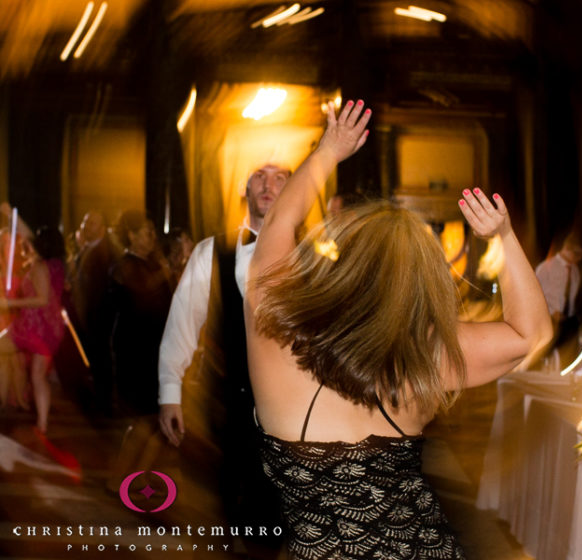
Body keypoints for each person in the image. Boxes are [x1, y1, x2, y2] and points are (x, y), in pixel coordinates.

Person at [246, 99, 553, 558]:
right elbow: (532, 334)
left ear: (340, 264)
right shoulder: (427, 357)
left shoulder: (274, 325)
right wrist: (504, 238)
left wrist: (329, 150)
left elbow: (281, 222)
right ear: (422, 284)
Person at [157, 162, 290, 554]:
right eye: (259, 176)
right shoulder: (210, 251)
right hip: (231, 404)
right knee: (232, 501)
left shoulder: (311, 255)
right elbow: (182, 320)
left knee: (277, 512)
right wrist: (170, 392)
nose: (268, 185)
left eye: (280, 177)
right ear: (244, 187)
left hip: (293, 408)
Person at [106, 210, 173, 491]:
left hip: (157, 350)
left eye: (152, 233)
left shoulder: (152, 264)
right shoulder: (124, 266)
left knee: (162, 421)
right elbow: (141, 292)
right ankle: (116, 478)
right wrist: (165, 272)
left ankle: (140, 475)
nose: (152, 238)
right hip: (135, 352)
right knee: (144, 420)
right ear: (132, 236)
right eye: (146, 232)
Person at [0, 217, 66, 434]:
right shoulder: (57, 265)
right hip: (51, 330)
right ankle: (42, 424)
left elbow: (42, 299)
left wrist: (9, 303)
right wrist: (13, 217)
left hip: (32, 328)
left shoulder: (39, 266)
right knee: (38, 376)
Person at [68, 210, 117, 415]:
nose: (88, 227)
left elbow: (103, 289)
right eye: (86, 222)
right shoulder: (85, 250)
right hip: (84, 318)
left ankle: (104, 405)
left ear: (103, 228)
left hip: (98, 319)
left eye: (93, 223)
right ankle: (96, 402)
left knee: (101, 361)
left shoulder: (106, 253)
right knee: (92, 362)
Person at [535, 231, 582, 363]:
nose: (579, 258)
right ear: (567, 249)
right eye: (577, 254)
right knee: (550, 360)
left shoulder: (575, 271)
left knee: (569, 360)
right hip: (551, 321)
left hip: (569, 323)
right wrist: (551, 312)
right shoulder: (546, 268)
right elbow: (535, 295)